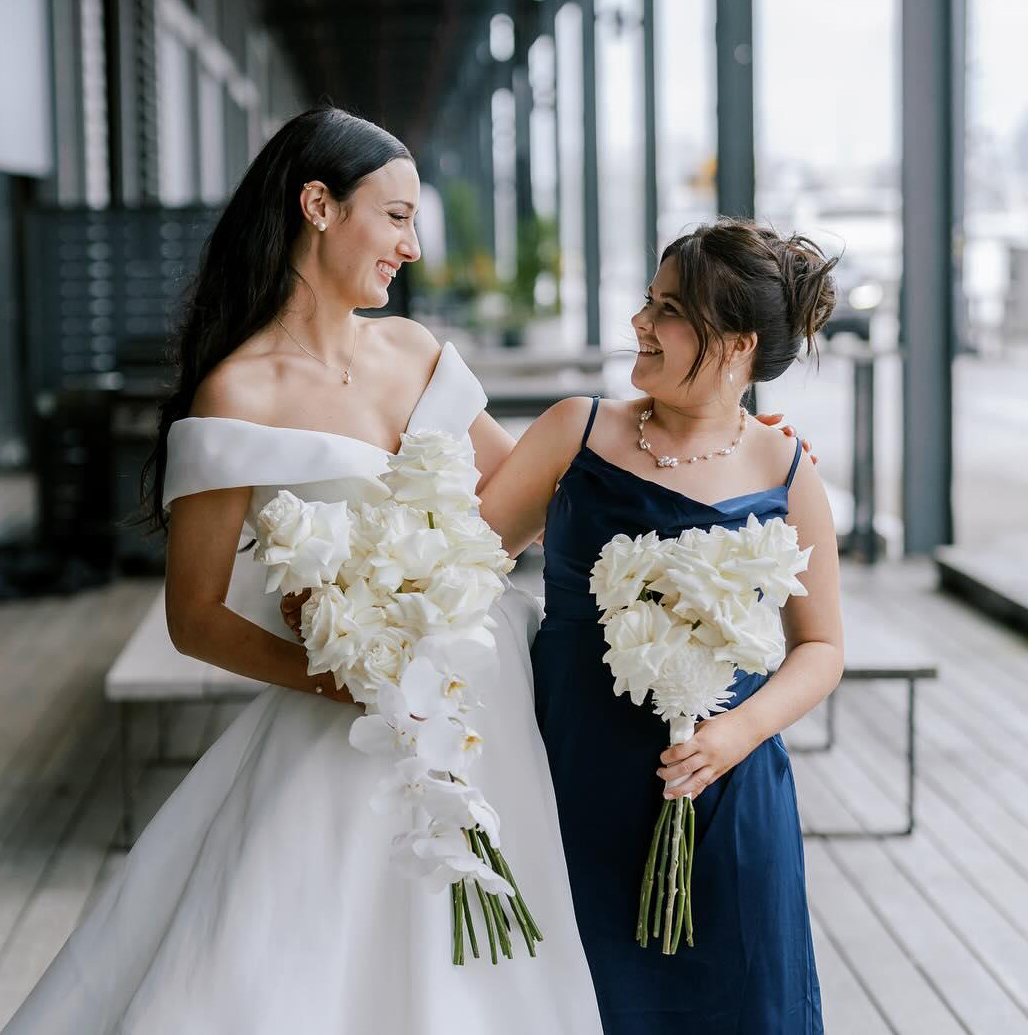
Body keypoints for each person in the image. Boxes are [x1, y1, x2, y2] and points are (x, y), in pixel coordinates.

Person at [2, 106, 604, 1035]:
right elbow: (194, 615)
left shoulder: (413, 349)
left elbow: (511, 507)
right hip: (345, 734)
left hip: (482, 716)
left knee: (485, 979)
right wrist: (342, 679)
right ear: (317, 205)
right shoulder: (238, 391)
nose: (410, 246)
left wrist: (691, 440)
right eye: (395, 216)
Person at [478, 219, 844, 1035]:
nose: (640, 324)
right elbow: (461, 564)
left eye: (669, 310)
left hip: (723, 784)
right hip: (570, 774)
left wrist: (735, 734)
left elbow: (820, 648)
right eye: (648, 301)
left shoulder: (785, 469)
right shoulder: (576, 430)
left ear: (738, 345)